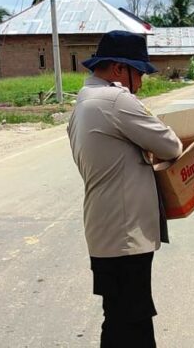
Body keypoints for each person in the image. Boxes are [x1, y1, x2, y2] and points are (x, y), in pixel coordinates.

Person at [67, 30, 183, 347]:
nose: (141, 83)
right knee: (133, 324)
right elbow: (171, 145)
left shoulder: (82, 101)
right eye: (139, 73)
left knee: (119, 319)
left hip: (105, 232)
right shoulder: (115, 99)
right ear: (119, 69)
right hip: (126, 236)